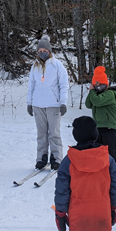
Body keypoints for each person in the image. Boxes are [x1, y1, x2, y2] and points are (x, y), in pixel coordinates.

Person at [26, 35, 69, 170]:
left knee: (54, 133)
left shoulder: (57, 65)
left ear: (49, 51)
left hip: (53, 105)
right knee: (41, 134)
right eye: (40, 51)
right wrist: (29, 103)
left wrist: (63, 102)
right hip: (38, 105)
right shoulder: (35, 66)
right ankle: (41, 158)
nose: (42, 53)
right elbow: (31, 86)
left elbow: (64, 85)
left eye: (45, 51)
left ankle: (56, 158)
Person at [84, 66, 116, 177]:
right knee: (98, 152)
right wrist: (92, 91)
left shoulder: (110, 94)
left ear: (106, 84)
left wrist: (92, 92)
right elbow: (88, 104)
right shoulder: (95, 94)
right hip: (98, 127)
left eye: (100, 84)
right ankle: (102, 174)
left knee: (111, 152)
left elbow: (96, 102)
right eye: (95, 84)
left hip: (110, 127)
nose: (98, 86)